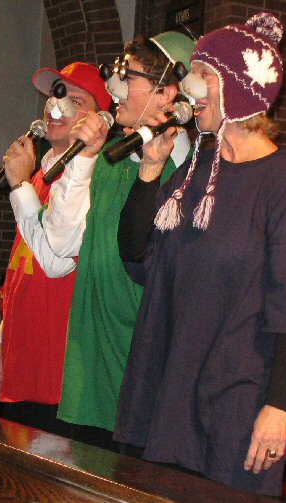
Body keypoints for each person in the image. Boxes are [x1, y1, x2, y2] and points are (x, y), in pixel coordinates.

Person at [114, 13, 286, 497]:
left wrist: (279, 407)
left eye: (202, 75)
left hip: (233, 405)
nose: (189, 88)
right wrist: (149, 172)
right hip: (167, 392)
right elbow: (135, 254)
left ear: (239, 88)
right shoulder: (196, 171)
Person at [38, 32, 195, 446]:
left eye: (129, 76)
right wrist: (83, 158)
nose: (116, 87)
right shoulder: (108, 159)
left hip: (140, 373)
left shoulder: (187, 172)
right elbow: (60, 244)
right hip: (90, 368)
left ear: (167, 93)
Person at [0, 62, 112, 437]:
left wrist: (19, 186)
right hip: (22, 361)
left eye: (76, 100)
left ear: (98, 120)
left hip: (60, 374)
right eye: (56, 94)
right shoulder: (39, 175)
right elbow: (23, 265)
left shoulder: (92, 181)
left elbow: (56, 261)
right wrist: (2, 338)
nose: (58, 105)